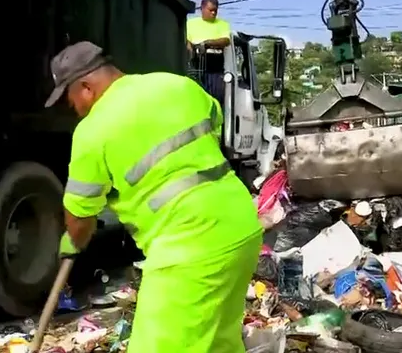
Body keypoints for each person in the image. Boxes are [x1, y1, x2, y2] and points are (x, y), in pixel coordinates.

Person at [47, 41, 262, 353]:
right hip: (241, 229)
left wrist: (73, 241)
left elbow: (80, 216)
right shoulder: (175, 84)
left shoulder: (92, 132)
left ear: (86, 88)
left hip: (189, 250)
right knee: (218, 343)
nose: (75, 110)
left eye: (71, 101)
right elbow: (215, 119)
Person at [186, 0, 230, 104]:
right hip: (196, 69)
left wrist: (207, 43)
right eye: (211, 10)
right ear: (202, 8)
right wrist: (191, 51)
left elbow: (225, 40)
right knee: (196, 99)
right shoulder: (191, 24)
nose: (213, 13)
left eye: (215, 10)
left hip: (215, 70)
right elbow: (186, 41)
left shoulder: (223, 24)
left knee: (215, 100)